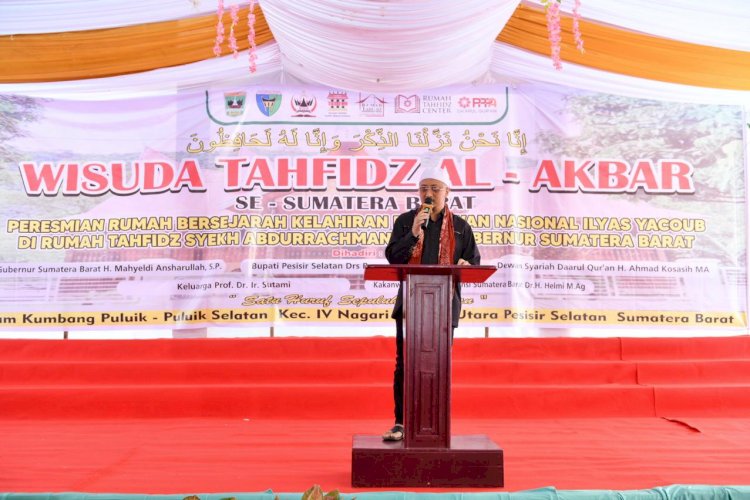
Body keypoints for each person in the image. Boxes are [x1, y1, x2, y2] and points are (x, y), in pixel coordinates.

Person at [382, 165, 481, 441]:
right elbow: (393, 258)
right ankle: (401, 423)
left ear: (447, 192)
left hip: (444, 305)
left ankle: (435, 422)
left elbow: (474, 262)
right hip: (410, 304)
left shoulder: (461, 227)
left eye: (435, 188)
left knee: (439, 363)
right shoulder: (405, 221)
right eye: (424, 188)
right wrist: (413, 233)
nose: (429, 193)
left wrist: (465, 264)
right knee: (405, 363)